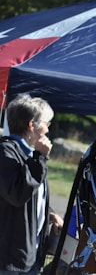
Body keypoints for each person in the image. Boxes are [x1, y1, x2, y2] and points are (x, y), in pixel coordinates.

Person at [0, 93, 63, 275]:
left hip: (30, 258)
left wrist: (49, 213)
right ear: (32, 125)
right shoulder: (6, 153)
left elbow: (32, 194)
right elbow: (18, 194)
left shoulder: (30, 156)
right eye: (46, 123)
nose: (48, 130)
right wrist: (40, 157)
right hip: (9, 260)